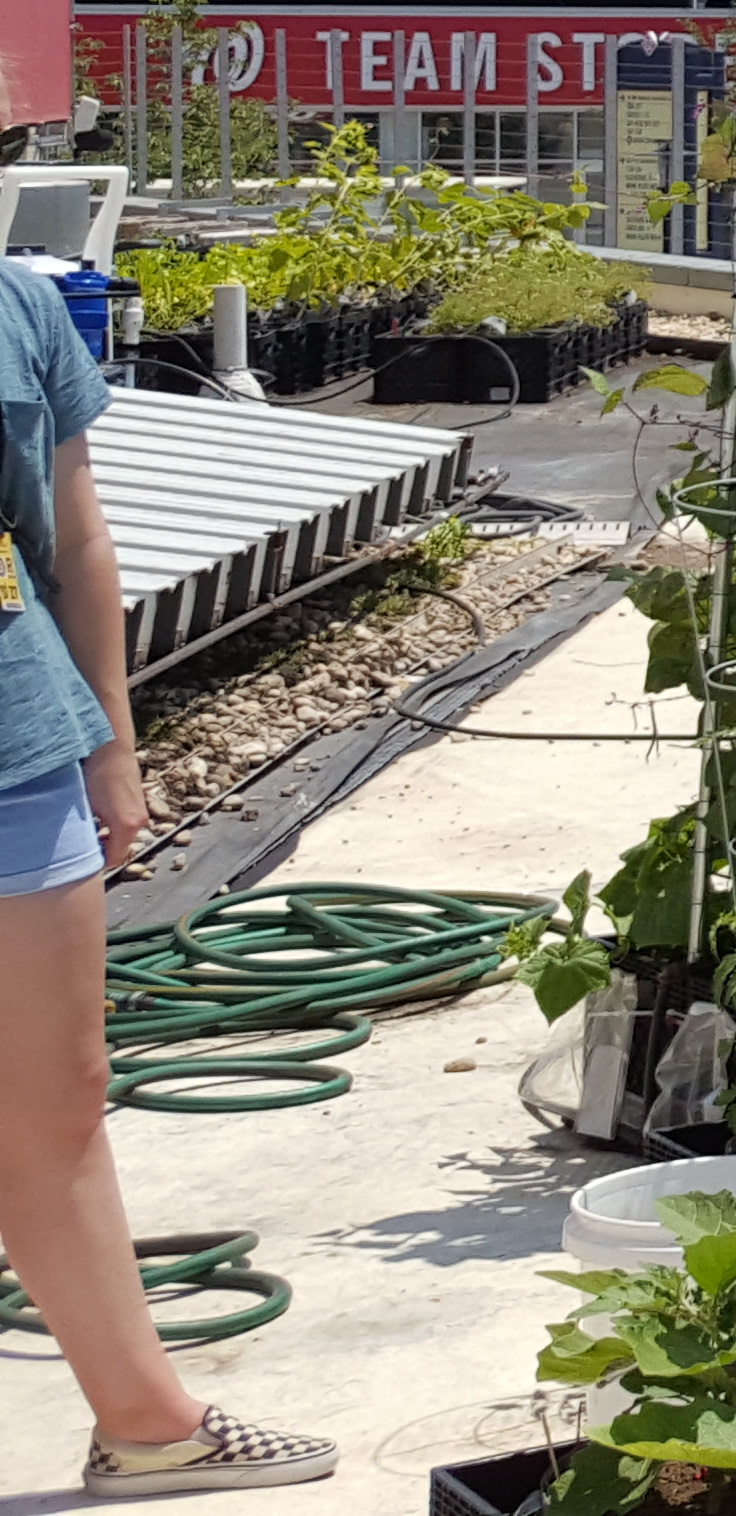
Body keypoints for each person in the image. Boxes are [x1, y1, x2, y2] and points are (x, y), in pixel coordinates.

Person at [0, 269, 328, 1493]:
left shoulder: (19, 310)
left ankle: (149, 1429)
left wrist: (111, 741)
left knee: (56, 1105)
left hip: (16, 747)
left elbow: (73, 539)